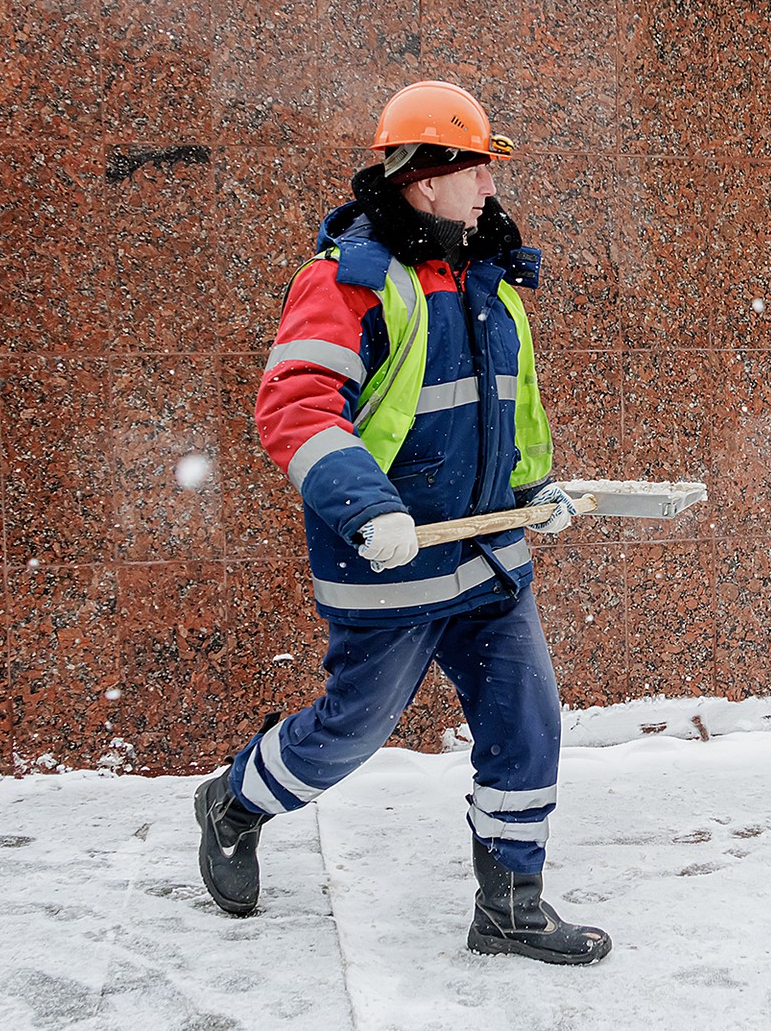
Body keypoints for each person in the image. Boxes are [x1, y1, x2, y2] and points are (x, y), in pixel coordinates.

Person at [192, 80, 610, 965]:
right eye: (478, 169)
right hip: (392, 563)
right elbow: (298, 407)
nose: (492, 188)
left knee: (528, 721)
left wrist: (539, 490)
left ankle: (508, 905)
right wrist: (367, 507)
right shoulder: (350, 281)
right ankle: (236, 802)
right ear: (426, 179)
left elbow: (506, 412)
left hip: (489, 559)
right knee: (349, 733)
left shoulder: (486, 277)